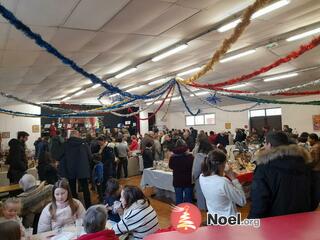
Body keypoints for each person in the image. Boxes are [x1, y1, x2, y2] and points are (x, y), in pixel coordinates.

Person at [248, 131, 314, 218]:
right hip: (303, 216)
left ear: (269, 145)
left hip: (276, 220)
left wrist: (252, 220)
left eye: (265, 143)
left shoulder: (264, 167)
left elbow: (260, 199)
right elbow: (313, 191)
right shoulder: (303, 162)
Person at [199, 150, 246, 217]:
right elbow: (242, 201)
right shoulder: (223, 182)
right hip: (228, 220)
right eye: (225, 163)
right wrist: (233, 179)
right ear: (221, 165)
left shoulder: (202, 177)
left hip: (214, 217)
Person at [59, 130, 92, 208]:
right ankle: (88, 206)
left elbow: (59, 156)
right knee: (85, 188)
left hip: (70, 169)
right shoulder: (84, 144)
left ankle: (74, 206)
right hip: (82, 169)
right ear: (78, 135)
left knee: (72, 189)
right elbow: (90, 156)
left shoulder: (65, 144)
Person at [169, 139, 194, 204]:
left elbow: (170, 166)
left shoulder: (173, 157)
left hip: (177, 179)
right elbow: (192, 167)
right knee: (188, 199)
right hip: (187, 180)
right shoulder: (190, 156)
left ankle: (179, 213)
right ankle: (189, 212)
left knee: (178, 198)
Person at [192, 138, 214, 210]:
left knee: (202, 196)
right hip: (212, 178)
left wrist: (194, 178)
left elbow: (196, 170)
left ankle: (204, 211)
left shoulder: (199, 156)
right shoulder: (213, 154)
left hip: (201, 179)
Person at [308, 133, 320, 207]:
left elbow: (314, 160)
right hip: (317, 169)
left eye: (309, 139)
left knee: (316, 187)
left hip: (316, 170)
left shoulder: (315, 147)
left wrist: (307, 166)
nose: (308, 140)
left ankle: (315, 203)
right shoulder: (318, 145)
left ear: (313, 139)